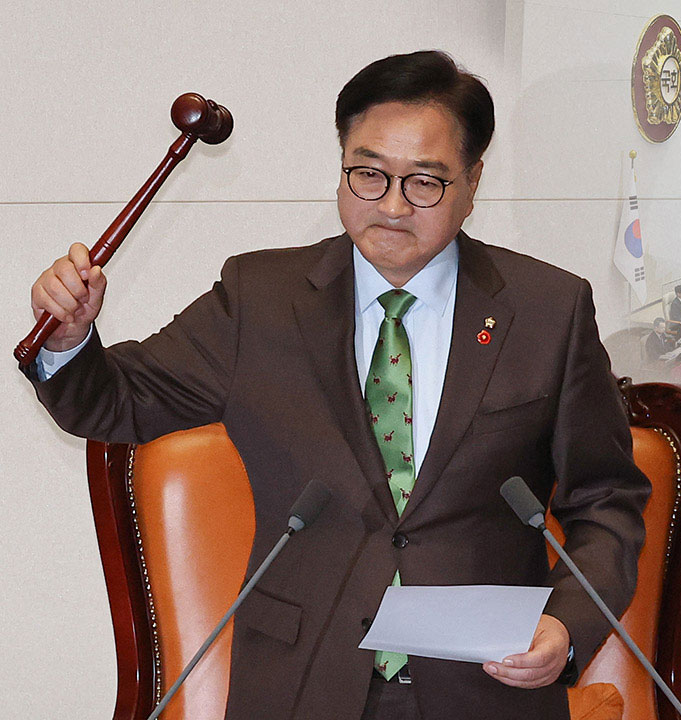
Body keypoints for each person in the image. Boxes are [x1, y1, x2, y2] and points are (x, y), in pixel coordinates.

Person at [22, 51, 649, 718]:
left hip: (487, 687)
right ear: (342, 165)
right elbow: (112, 401)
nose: (392, 206)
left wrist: (566, 625)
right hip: (300, 685)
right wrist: (69, 342)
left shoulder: (547, 310)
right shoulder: (258, 299)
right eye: (369, 174)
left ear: (473, 183)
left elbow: (607, 498)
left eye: (425, 183)